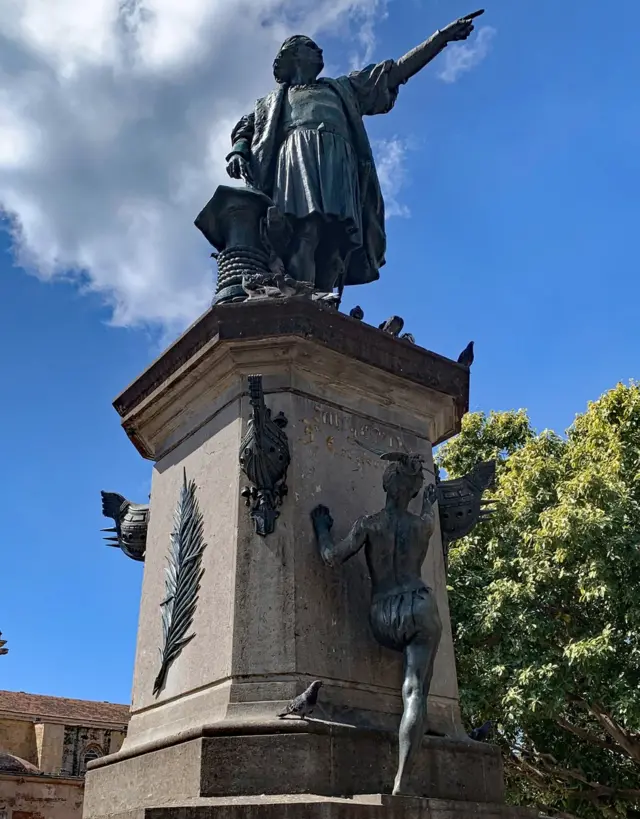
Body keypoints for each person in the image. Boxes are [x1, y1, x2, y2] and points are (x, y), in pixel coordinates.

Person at [226, 11, 482, 294]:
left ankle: (322, 306)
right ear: (293, 56)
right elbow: (246, 127)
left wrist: (440, 39)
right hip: (297, 155)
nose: (319, 50)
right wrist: (238, 150)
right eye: (311, 46)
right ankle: (300, 299)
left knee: (337, 243)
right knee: (306, 230)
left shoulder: (343, 88)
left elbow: (394, 72)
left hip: (339, 160)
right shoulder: (272, 102)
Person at [311, 451, 442, 796]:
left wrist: (322, 528)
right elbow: (429, 513)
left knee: (414, 689)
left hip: (383, 615)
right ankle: (402, 779)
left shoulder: (369, 525)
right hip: (421, 606)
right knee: (415, 692)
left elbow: (331, 558)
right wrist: (428, 502)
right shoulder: (423, 526)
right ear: (411, 491)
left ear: (386, 485)